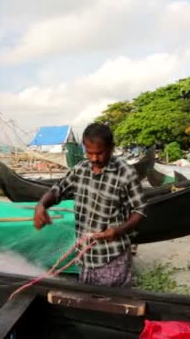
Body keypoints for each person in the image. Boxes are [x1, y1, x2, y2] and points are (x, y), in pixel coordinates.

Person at [33, 123, 146, 287]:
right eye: (89, 153)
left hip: (112, 256)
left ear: (111, 148)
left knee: (111, 304)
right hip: (85, 255)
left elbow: (140, 209)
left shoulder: (126, 173)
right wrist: (41, 205)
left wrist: (118, 230)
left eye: (100, 153)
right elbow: (58, 190)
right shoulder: (80, 169)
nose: (94, 159)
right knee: (88, 302)